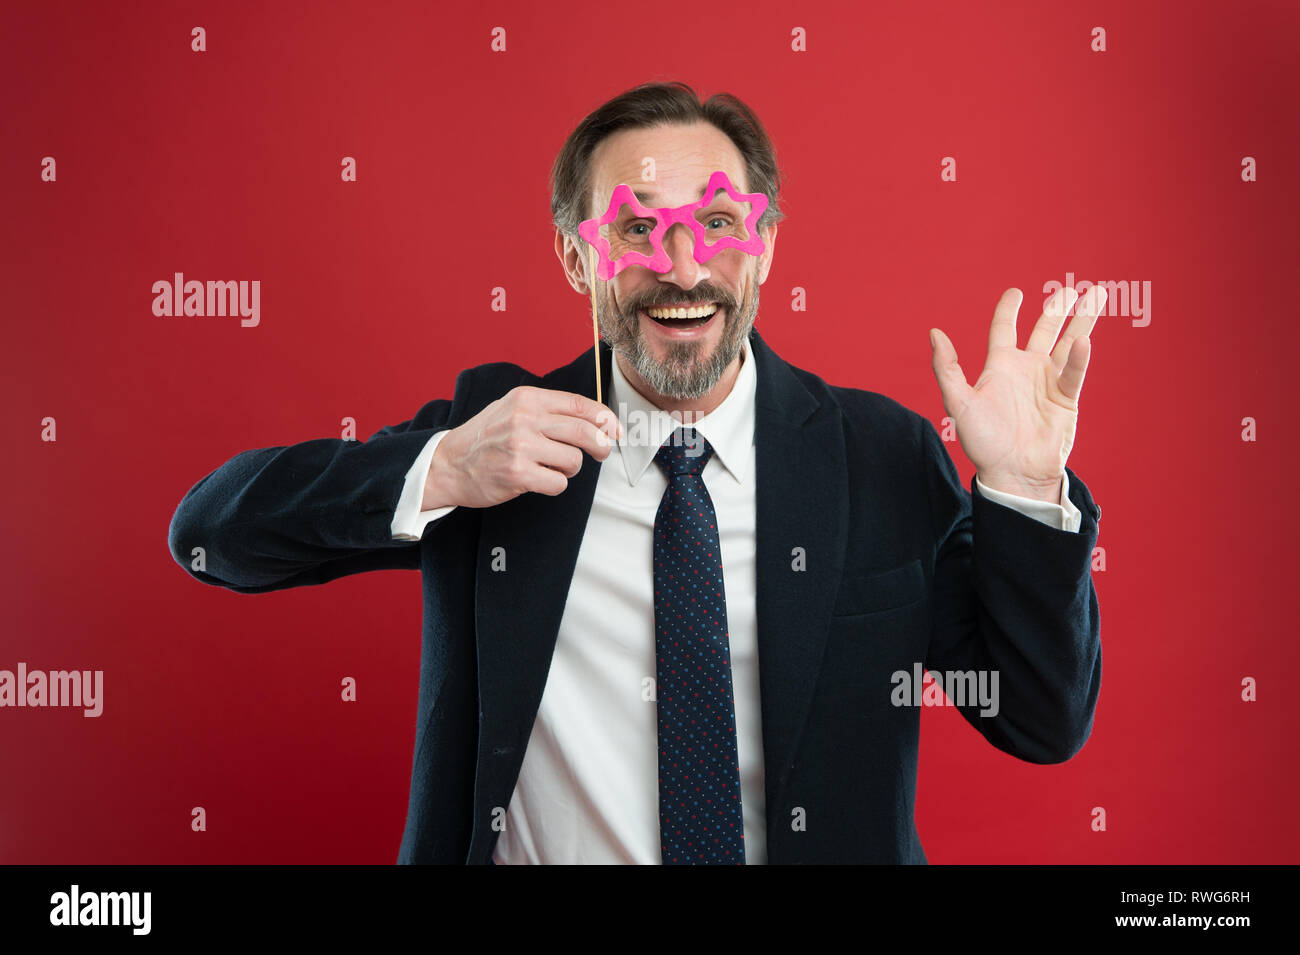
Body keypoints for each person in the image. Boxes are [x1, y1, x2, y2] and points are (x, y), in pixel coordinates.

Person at [168, 81, 1105, 864]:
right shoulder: (498, 438)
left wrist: (1023, 490)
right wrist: (443, 467)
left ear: (767, 245)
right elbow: (211, 536)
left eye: (719, 223)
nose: (684, 268)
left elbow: (1040, 721)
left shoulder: (880, 454)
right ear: (577, 257)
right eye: (636, 231)